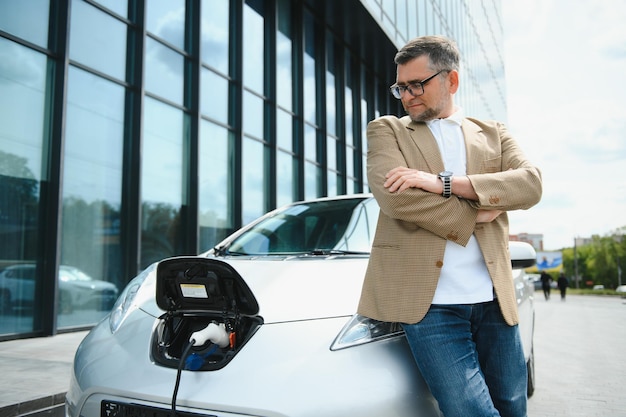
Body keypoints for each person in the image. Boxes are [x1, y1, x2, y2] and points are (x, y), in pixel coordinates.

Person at [357, 35, 542, 417]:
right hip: (431, 307)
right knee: (470, 411)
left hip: (493, 300)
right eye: (401, 87)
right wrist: (481, 210)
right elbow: (396, 198)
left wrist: (444, 183)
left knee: (512, 405)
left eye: (417, 85)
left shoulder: (493, 132)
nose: (407, 96)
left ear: (451, 81)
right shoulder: (387, 130)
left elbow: (530, 184)